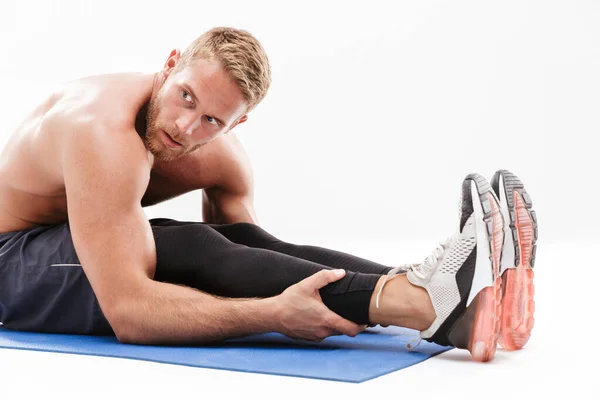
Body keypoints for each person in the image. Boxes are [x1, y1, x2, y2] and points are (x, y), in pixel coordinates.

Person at [0, 27, 536, 362]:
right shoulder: (101, 132)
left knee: (227, 237)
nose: (186, 126)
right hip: (9, 264)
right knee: (183, 252)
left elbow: (248, 252)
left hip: (68, 238)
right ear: (169, 63)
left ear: (238, 123)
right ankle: (423, 303)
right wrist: (272, 314)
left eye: (211, 118)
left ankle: (442, 299)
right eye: (184, 95)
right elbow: (131, 313)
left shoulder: (221, 158)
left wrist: (274, 293)